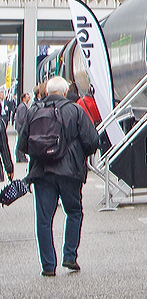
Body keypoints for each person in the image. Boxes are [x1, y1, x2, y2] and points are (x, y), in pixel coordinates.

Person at [18, 75, 100, 277]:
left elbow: (22, 144)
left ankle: (48, 265)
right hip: (69, 173)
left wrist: (42, 152)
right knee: (74, 212)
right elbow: (92, 140)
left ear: (46, 92)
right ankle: (70, 256)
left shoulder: (33, 111)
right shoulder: (75, 110)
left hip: (42, 173)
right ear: (64, 93)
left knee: (44, 220)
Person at [14, 92, 33, 164]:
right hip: (21, 127)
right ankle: (20, 156)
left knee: (20, 141)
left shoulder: (23, 106)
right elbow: (22, 119)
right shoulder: (22, 107)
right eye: (28, 97)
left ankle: (20, 156)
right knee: (20, 141)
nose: (29, 98)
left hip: (20, 127)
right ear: (24, 98)